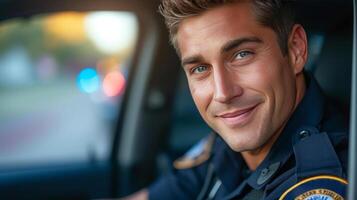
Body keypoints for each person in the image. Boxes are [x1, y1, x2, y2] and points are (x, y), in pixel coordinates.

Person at [124, 0, 349, 199]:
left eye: (242, 55)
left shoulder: (320, 181)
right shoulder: (224, 149)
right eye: (201, 68)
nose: (223, 93)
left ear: (295, 50)